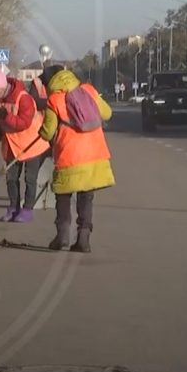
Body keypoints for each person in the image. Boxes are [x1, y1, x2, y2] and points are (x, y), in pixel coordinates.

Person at [38, 68, 115, 253]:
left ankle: (62, 236)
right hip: (95, 155)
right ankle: (83, 238)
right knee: (86, 198)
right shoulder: (88, 90)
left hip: (69, 157)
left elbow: (48, 132)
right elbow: (107, 113)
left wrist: (42, 131)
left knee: (63, 197)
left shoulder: (54, 100)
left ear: (50, 82)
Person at [0, 66, 51, 223]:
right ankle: (13, 208)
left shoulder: (24, 98)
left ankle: (27, 210)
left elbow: (24, 123)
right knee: (11, 178)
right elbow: (1, 123)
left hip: (32, 145)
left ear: (1, 86)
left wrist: (6, 117)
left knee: (30, 178)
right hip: (12, 146)